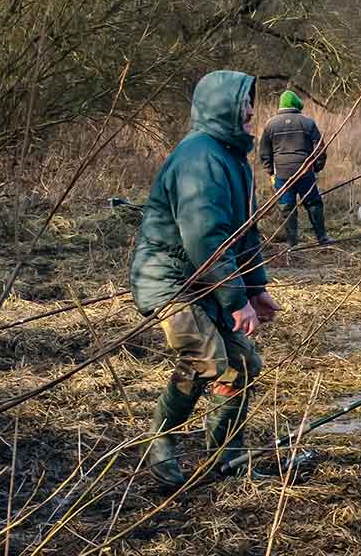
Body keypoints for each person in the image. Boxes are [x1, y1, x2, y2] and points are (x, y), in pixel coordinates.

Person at [129, 70, 281, 488]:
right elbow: (206, 238)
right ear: (221, 107)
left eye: (251, 102)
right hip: (172, 280)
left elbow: (244, 234)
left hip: (205, 281)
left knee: (244, 365)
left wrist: (257, 289)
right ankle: (160, 444)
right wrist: (237, 301)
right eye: (242, 103)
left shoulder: (234, 159)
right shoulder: (200, 158)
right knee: (207, 361)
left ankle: (225, 457)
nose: (251, 110)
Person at [259, 90, 332, 246]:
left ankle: (292, 243)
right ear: (297, 105)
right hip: (305, 172)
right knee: (313, 203)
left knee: (286, 207)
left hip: (282, 174)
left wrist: (271, 172)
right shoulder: (308, 123)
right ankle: (322, 238)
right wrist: (316, 168)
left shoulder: (270, 124)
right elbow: (320, 149)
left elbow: (264, 153)